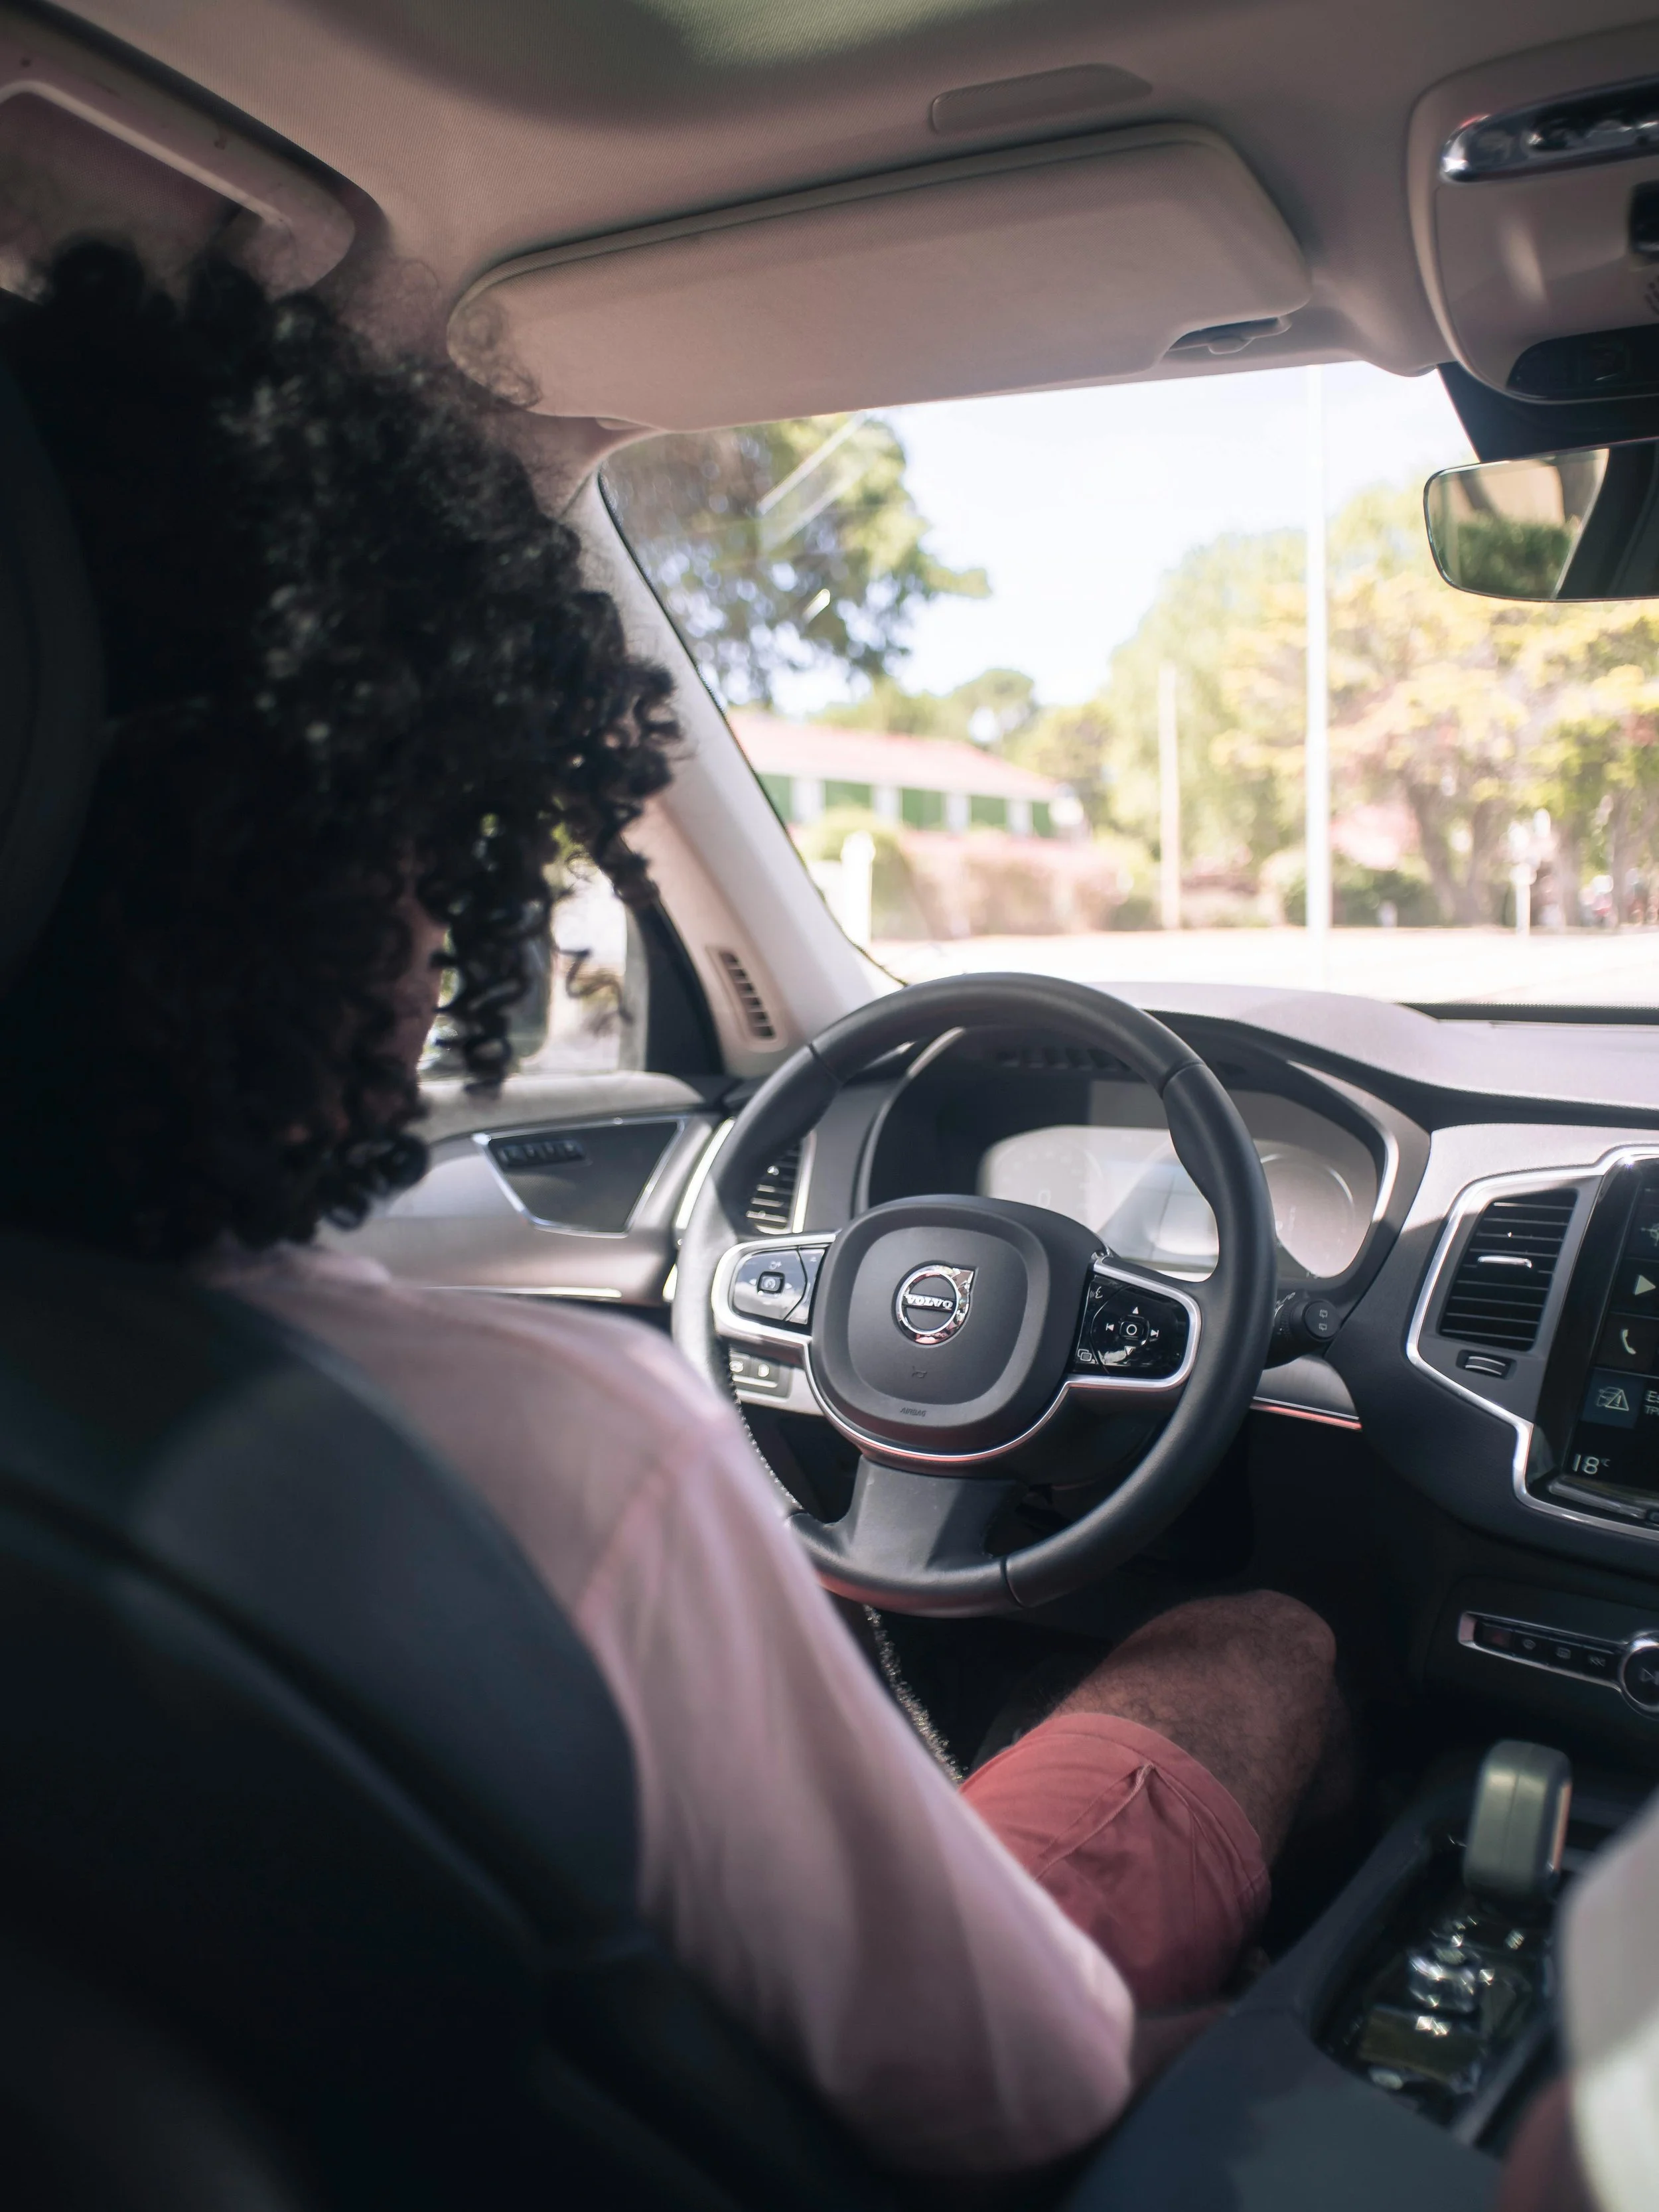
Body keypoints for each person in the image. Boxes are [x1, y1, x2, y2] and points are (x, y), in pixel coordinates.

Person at [0, 241, 1345, 2189]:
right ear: (297, 860)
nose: (444, 917)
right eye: (421, 837)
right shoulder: (574, 1458)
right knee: (1261, 1644)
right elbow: (1029, 2090)